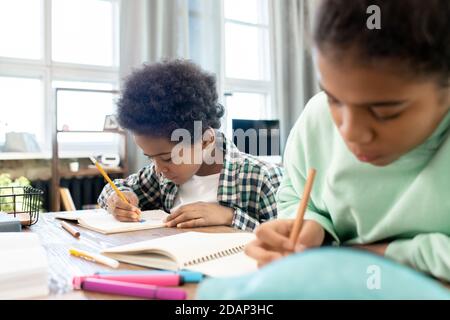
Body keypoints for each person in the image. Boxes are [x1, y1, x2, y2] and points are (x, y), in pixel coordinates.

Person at [245, 0, 450, 281]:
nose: (350, 133)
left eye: (384, 111)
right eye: (334, 98)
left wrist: (382, 254)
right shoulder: (316, 118)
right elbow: (295, 191)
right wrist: (310, 227)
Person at [98, 59, 283, 231]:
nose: (159, 169)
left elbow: (291, 245)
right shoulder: (160, 176)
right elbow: (115, 187)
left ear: (205, 141)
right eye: (150, 157)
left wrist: (231, 217)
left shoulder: (261, 178)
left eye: (167, 158)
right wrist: (118, 199)